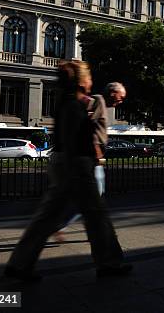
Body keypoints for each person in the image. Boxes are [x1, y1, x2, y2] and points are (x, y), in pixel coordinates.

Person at [5, 61, 132, 281]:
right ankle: (109, 263)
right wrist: (88, 163)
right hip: (77, 164)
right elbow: (77, 140)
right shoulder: (78, 104)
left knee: (47, 217)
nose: (92, 81)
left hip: (65, 163)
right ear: (82, 81)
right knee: (97, 216)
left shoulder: (68, 101)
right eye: (90, 77)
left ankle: (19, 264)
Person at [52, 82, 127, 242]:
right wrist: (97, 153)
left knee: (90, 198)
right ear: (113, 93)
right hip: (93, 158)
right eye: (121, 97)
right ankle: (92, 231)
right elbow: (88, 125)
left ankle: (68, 225)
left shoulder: (100, 103)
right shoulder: (99, 100)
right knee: (94, 198)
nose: (121, 101)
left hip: (92, 158)